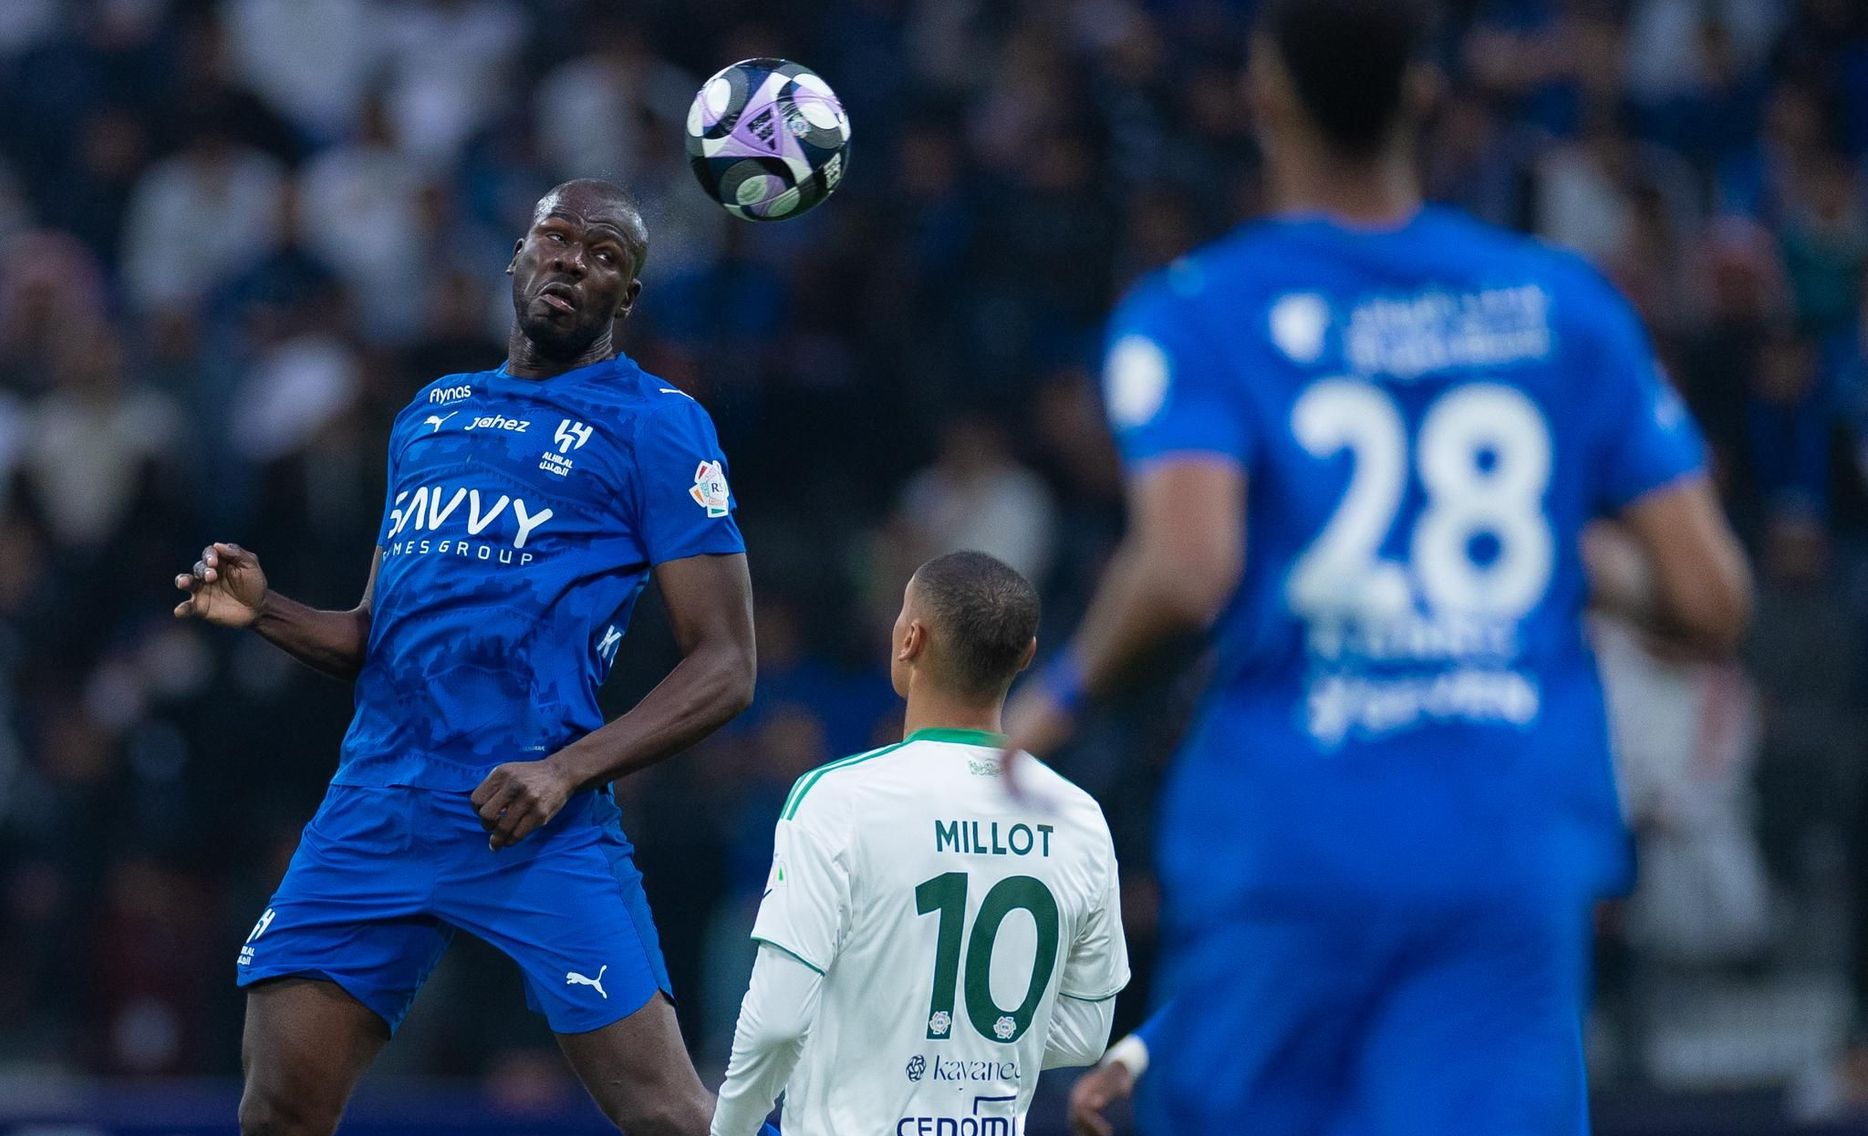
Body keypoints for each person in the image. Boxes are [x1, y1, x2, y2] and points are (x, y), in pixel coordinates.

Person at [1002, 1, 1754, 1132]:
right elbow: (1708, 599)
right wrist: (1567, 551)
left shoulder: (1197, 313)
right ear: (1423, 96)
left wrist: (1048, 709)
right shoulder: (1561, 306)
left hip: (1295, 826)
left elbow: (1185, 568)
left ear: (1264, 100)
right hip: (1508, 840)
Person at [173, 179, 762, 1136]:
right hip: (376, 805)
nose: (575, 259)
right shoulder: (430, 413)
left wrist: (565, 770)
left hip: (532, 813)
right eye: (558, 237)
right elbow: (374, 636)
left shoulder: (658, 422)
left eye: (605, 255)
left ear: (628, 299)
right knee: (278, 1108)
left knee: (667, 1116)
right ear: (517, 257)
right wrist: (265, 610)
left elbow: (728, 664)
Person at [711, 551, 1128, 1136]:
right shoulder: (1078, 817)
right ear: (1028, 656)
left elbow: (777, 1022)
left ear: (910, 639)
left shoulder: (839, 797)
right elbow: (1086, 1031)